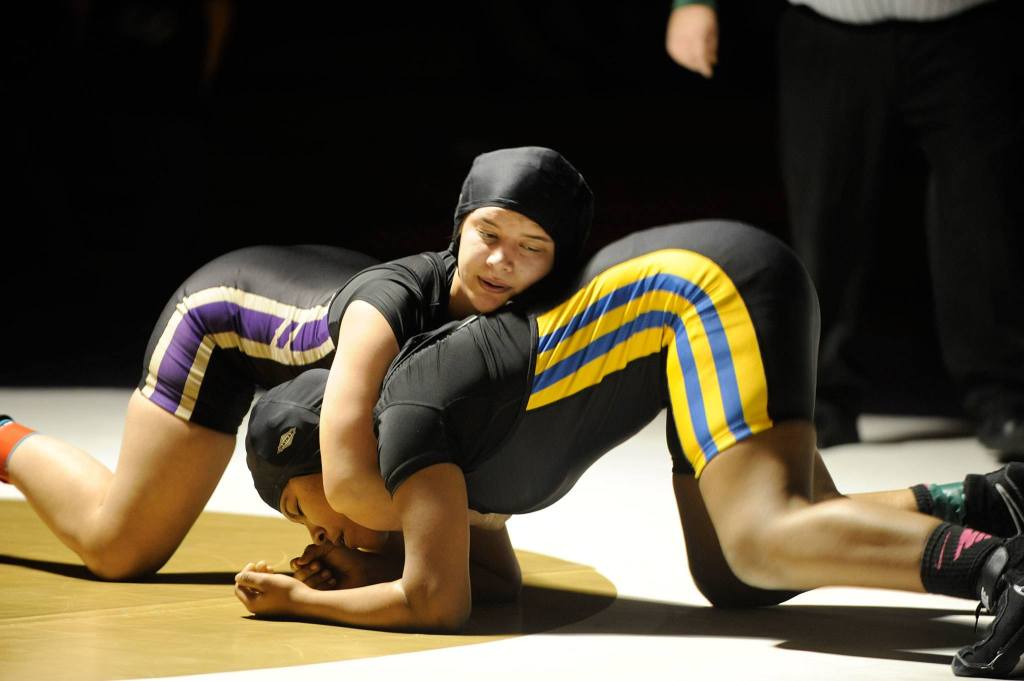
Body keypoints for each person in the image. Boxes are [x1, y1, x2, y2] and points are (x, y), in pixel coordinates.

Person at [238, 220, 1024, 677]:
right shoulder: (431, 451)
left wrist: (303, 600)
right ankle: (990, 504)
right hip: (692, 309)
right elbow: (493, 581)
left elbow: (441, 603)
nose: (321, 536)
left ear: (332, 453)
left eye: (311, 510)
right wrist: (372, 565)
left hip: (704, 289)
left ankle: (1002, 569)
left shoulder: (407, 418)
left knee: (761, 536)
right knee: (734, 574)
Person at [0, 145, 593, 582]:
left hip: (319, 320)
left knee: (410, 533)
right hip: (221, 321)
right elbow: (350, 486)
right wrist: (476, 517)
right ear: (459, 226)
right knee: (118, 548)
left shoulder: (514, 334)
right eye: (487, 232)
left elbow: (493, 582)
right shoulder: (387, 313)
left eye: (531, 247)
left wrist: (457, 529)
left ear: (557, 263)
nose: (498, 260)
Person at [665, 0, 1024, 455]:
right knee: (824, 219)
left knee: (985, 214)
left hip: (969, 24)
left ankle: (1005, 398)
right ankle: (819, 400)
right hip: (827, 22)